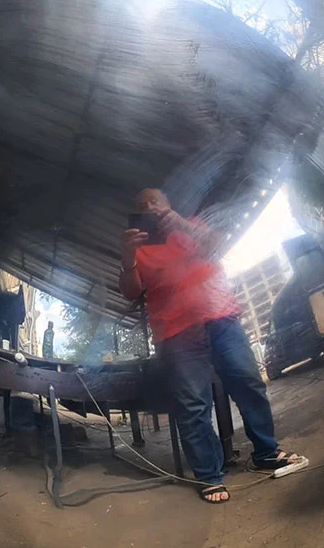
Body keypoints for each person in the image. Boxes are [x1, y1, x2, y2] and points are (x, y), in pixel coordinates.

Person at [119, 188, 306, 504]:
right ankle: (209, 475)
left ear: (169, 205)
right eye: (142, 205)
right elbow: (131, 292)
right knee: (193, 404)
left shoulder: (192, 225)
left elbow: (216, 246)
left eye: (155, 201)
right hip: (176, 332)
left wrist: (181, 225)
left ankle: (266, 452)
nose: (149, 207)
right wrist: (127, 259)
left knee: (248, 382)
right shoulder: (139, 249)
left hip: (221, 318)